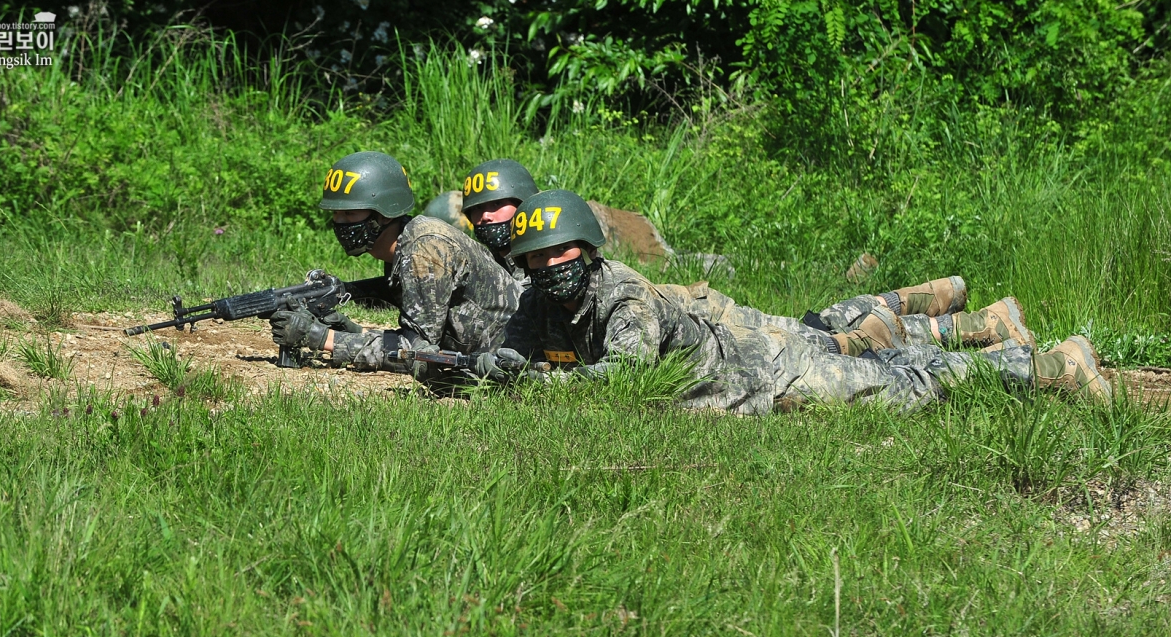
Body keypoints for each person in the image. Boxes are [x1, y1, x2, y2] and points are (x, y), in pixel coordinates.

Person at [471, 189, 1110, 414]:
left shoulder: (625, 297)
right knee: (892, 371)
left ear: (587, 250)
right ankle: (989, 330)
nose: (550, 266)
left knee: (908, 388)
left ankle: (1056, 367)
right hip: (739, 387)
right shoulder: (538, 299)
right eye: (537, 257)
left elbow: (623, 381)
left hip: (764, 369)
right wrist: (481, 368)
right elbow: (511, 353)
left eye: (562, 253)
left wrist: (529, 380)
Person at [455, 158, 1032, 356]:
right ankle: (946, 301)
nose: (488, 220)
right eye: (478, 212)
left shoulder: (557, 246)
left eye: (500, 208)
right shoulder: (522, 260)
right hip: (678, 311)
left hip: (692, 311)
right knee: (821, 326)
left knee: (821, 337)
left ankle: (977, 324)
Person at [268, 150, 523, 375]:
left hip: (515, 362)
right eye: (336, 213)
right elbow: (416, 340)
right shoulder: (405, 244)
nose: (341, 222)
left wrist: (322, 338)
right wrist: (352, 331)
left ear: (382, 213)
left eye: (350, 212)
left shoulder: (425, 248)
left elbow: (416, 353)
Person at [459, 158, 538, 282]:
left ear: (522, 204)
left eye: (497, 204)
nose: (485, 216)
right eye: (477, 208)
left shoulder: (545, 261)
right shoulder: (480, 266)